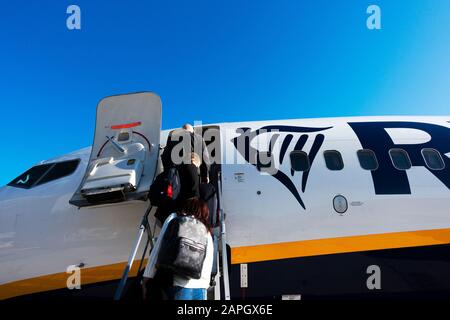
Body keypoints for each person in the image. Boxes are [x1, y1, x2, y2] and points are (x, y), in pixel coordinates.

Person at [168, 198, 214, 300]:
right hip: (201, 285)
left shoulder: (181, 225)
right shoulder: (207, 232)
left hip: (181, 283)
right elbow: (209, 259)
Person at [161, 123, 211, 201]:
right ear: (193, 131)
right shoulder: (198, 138)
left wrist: (168, 171)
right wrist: (205, 176)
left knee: (176, 197)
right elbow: (206, 159)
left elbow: (165, 157)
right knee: (192, 198)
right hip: (193, 172)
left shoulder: (173, 138)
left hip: (176, 174)